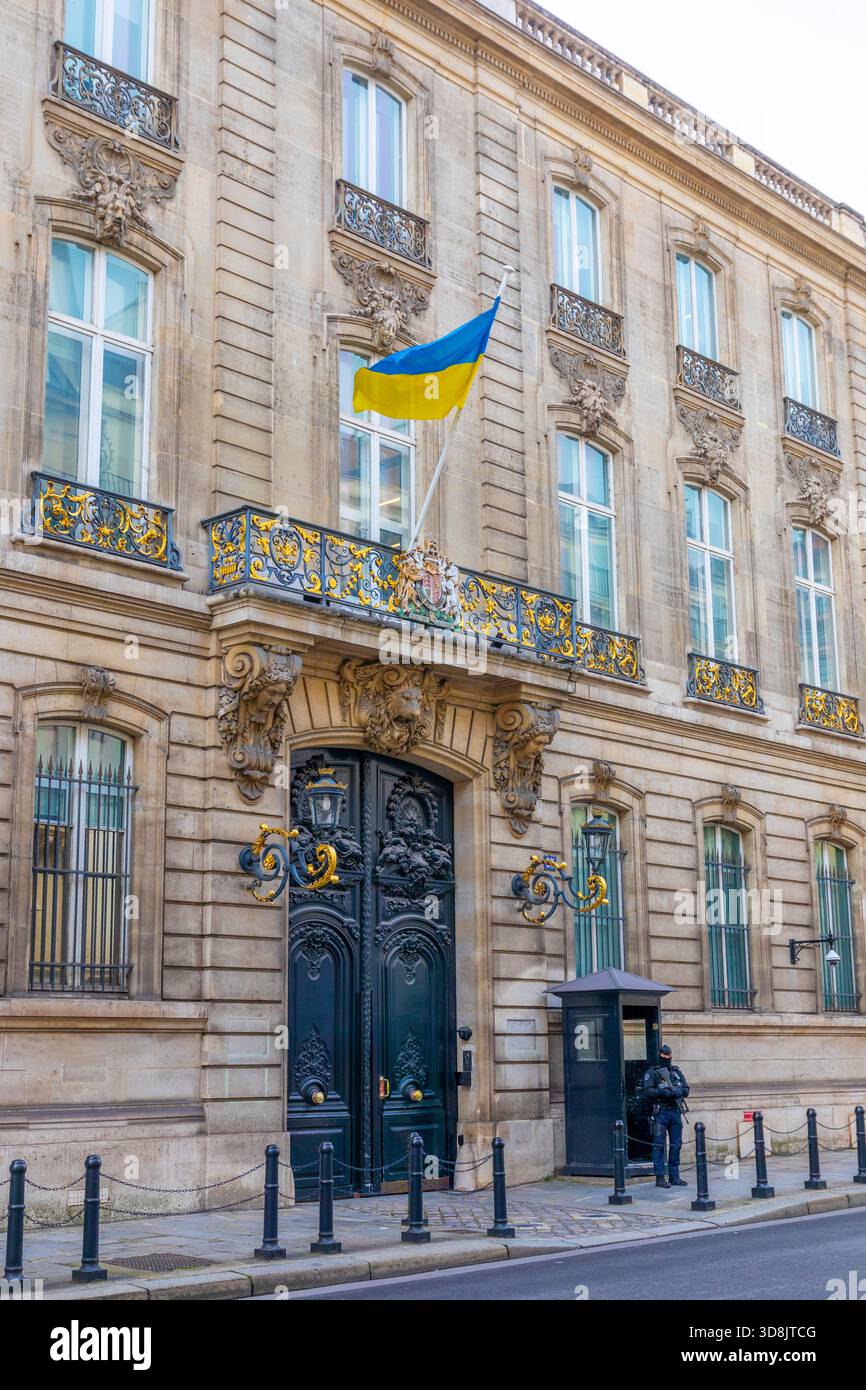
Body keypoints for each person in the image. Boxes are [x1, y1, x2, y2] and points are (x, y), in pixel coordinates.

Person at [642, 1043, 690, 1188]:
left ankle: (674, 1176)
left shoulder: (676, 1072)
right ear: (660, 1055)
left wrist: (679, 1092)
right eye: (664, 1055)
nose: (667, 1057)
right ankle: (660, 1177)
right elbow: (648, 1091)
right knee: (658, 1145)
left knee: (676, 1145)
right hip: (661, 1112)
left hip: (675, 1111)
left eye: (668, 1055)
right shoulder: (653, 1072)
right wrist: (662, 1092)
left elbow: (686, 1089)